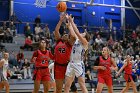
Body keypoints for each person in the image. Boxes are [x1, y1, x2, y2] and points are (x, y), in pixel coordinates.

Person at [64, 14, 90, 93]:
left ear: (85, 37)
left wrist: (72, 22)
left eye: (83, 34)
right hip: (71, 64)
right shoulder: (77, 39)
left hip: (79, 64)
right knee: (67, 85)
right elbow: (73, 33)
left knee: (82, 84)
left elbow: (77, 33)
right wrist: (69, 25)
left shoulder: (85, 43)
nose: (82, 33)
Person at [53, 14, 76, 93]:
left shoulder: (69, 43)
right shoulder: (58, 41)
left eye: (67, 34)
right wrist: (60, 21)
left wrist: (69, 24)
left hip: (67, 67)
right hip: (58, 67)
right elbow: (56, 31)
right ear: (62, 36)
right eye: (64, 34)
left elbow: (73, 36)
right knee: (58, 89)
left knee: (67, 88)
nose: (65, 35)